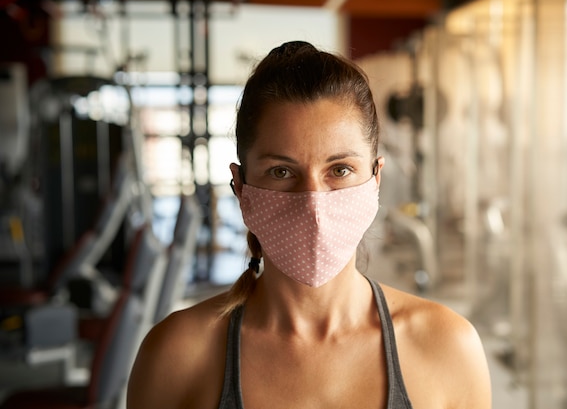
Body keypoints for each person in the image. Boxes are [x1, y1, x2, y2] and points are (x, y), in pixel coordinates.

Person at [127, 41, 491, 409]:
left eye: (340, 170)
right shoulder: (177, 354)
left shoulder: (447, 348)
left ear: (375, 177)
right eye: (281, 171)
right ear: (240, 187)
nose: (313, 201)